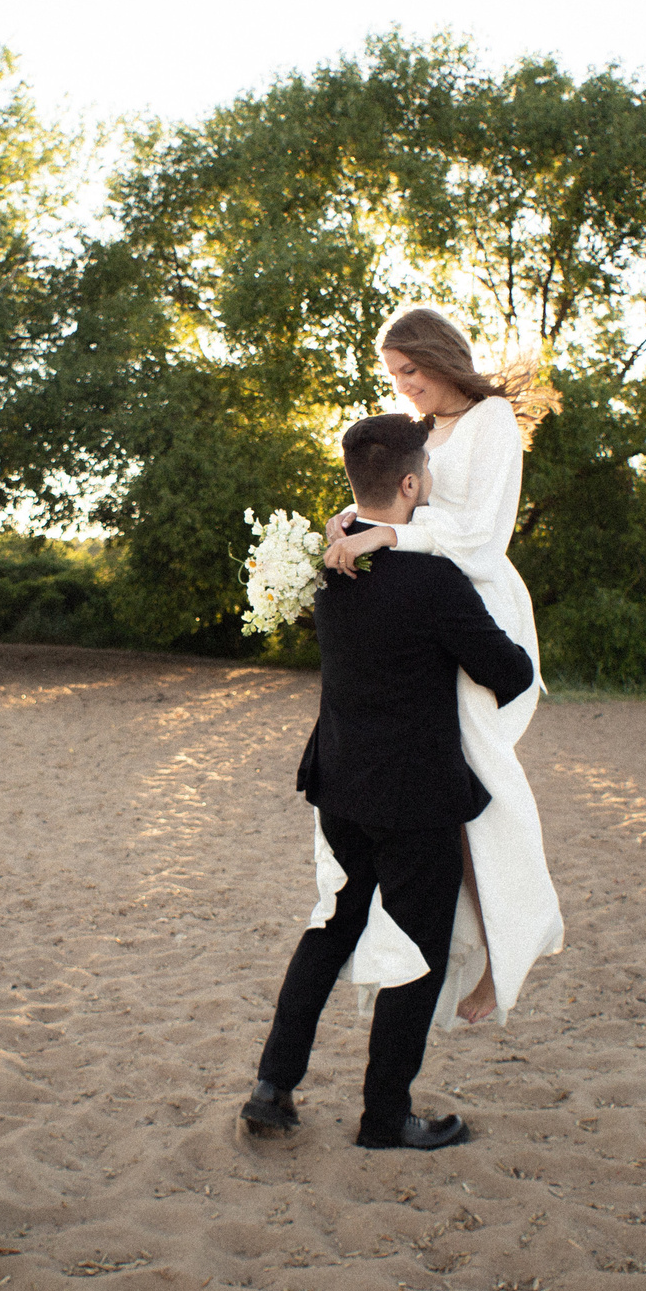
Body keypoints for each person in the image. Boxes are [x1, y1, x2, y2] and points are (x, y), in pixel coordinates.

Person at [243, 413, 535, 1150]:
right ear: (410, 484)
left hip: (339, 783)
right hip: (415, 800)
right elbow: (511, 672)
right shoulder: (435, 580)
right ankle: (383, 1116)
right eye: (428, 473)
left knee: (328, 927)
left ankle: (273, 1087)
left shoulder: (332, 567)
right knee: (416, 949)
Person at [318, 307, 563, 1028]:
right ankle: (473, 943)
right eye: (394, 376)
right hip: (425, 613)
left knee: (479, 779)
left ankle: (506, 942)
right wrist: (350, 521)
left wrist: (388, 531)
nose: (404, 386)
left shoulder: (491, 423)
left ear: (438, 356)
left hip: (476, 610)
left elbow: (481, 534)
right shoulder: (422, 432)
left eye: (410, 371)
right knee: (445, 791)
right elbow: (401, 495)